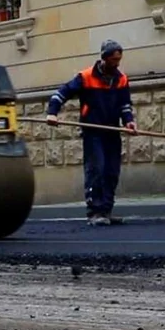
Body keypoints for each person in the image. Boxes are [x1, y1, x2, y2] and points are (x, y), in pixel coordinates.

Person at [45, 39, 138, 226]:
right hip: (93, 131)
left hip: (112, 131)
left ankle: (106, 210)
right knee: (96, 169)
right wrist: (52, 113)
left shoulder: (121, 79)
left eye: (119, 60)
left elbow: (124, 104)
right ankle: (95, 212)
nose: (117, 64)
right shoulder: (85, 77)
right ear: (103, 59)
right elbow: (61, 93)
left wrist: (129, 122)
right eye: (113, 60)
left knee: (111, 172)